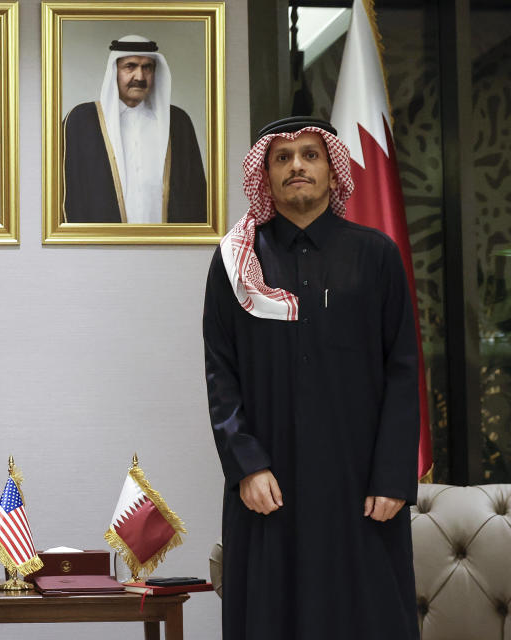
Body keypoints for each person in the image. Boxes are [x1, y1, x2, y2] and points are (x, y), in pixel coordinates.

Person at [202, 116, 419, 639]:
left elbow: (403, 369)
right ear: (266, 175)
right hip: (267, 489)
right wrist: (246, 465)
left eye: (310, 154)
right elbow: (220, 373)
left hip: (360, 489)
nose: (297, 165)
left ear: (331, 170)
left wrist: (392, 477)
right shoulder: (236, 262)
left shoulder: (376, 255)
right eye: (283, 157)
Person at [62, 35, 207, 223]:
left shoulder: (178, 122)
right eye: (130, 66)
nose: (139, 77)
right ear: (114, 70)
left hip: (167, 246)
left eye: (147, 68)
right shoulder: (81, 121)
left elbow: (195, 195)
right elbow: (68, 193)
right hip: (102, 246)